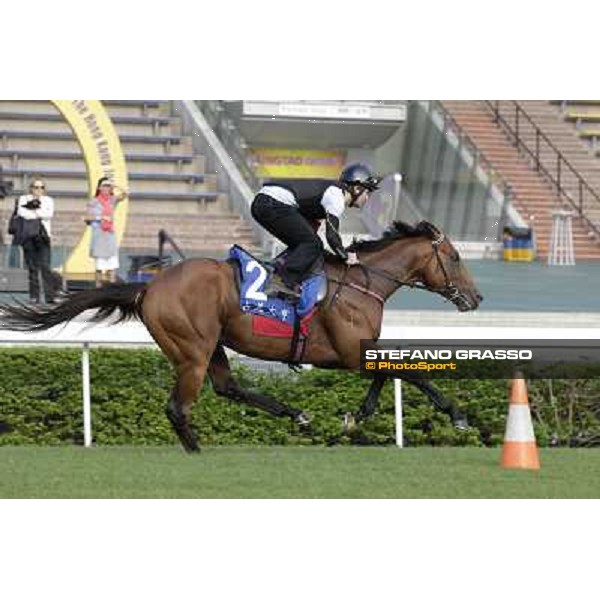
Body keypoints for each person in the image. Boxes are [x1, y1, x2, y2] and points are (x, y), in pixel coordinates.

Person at [250, 163, 380, 299]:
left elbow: (312, 230)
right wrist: (345, 255)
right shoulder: (336, 198)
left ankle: (276, 270)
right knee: (313, 244)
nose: (367, 198)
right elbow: (332, 236)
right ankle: (280, 280)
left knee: (306, 245)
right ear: (357, 188)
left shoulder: (327, 197)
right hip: (271, 203)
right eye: (367, 192)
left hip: (265, 202)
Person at [17, 177, 55, 304]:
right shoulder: (23, 198)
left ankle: (49, 296)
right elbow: (22, 213)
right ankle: (34, 296)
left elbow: (48, 214)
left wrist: (33, 209)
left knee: (45, 266)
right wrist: (37, 211)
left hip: (43, 236)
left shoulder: (48, 200)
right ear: (31, 188)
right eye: (36, 187)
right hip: (28, 236)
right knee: (32, 268)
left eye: (42, 187)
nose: (39, 190)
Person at [86, 177, 128, 287]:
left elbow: (125, 194)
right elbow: (88, 217)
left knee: (112, 267)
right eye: (104, 185)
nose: (106, 187)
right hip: (99, 235)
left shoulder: (112, 200)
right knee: (99, 268)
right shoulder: (93, 202)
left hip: (110, 236)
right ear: (99, 187)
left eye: (108, 186)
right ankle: (98, 291)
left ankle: (112, 292)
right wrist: (102, 217)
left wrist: (115, 186)